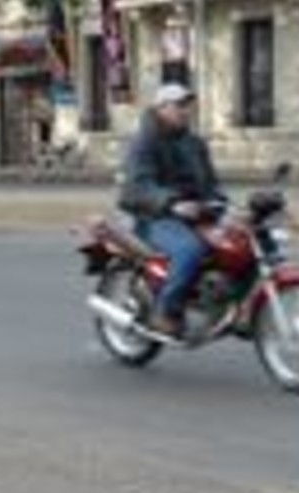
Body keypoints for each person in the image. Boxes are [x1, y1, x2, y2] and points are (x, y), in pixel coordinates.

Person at [118, 83, 224, 338]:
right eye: (179, 105)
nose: (185, 111)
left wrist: (223, 203)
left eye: (188, 105)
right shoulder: (144, 142)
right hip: (152, 216)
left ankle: (229, 305)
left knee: (237, 241)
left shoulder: (194, 143)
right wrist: (172, 204)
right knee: (190, 249)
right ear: (161, 107)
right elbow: (136, 187)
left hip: (193, 213)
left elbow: (209, 183)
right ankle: (165, 312)